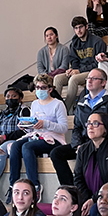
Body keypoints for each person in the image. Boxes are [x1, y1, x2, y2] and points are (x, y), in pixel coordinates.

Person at [50, 69, 108, 186]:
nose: (89, 81)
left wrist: (92, 144)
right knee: (56, 153)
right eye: (88, 78)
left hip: (104, 142)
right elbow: (77, 127)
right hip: (84, 143)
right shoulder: (81, 102)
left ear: (103, 83)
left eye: (94, 78)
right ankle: (70, 188)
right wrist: (78, 145)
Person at [8, 73, 68, 201]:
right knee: (15, 146)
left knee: (27, 147)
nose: (39, 90)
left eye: (43, 87)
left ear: (50, 89)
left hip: (54, 139)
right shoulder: (35, 104)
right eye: (37, 87)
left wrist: (46, 124)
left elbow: (63, 127)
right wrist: (25, 126)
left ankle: (34, 186)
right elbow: (33, 125)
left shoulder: (58, 104)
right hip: (37, 135)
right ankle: (13, 185)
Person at [53, 17, 107, 114]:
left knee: (74, 80)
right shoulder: (74, 43)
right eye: (76, 28)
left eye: (81, 27)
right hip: (79, 71)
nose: (78, 30)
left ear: (86, 27)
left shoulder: (97, 41)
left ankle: (64, 110)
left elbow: (98, 64)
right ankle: (54, 108)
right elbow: (74, 61)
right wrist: (72, 69)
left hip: (93, 71)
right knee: (58, 78)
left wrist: (79, 71)